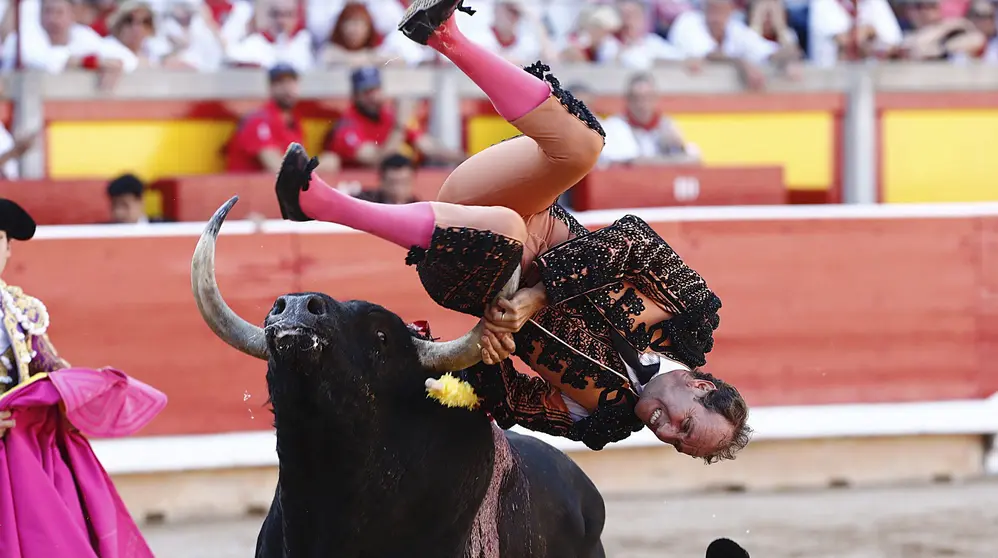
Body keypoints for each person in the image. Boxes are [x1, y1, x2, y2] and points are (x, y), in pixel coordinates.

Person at [274, 0, 750, 462]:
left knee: (505, 230)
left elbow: (506, 403)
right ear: (700, 386)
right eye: (683, 424)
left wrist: (492, 351)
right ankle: (443, 34)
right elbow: (634, 240)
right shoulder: (691, 318)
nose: (663, 430)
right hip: (518, 207)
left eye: (673, 441)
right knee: (583, 145)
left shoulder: (602, 419)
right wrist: (539, 296)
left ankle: (320, 203)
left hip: (463, 269)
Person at [0, 198, 163, 556]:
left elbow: (49, 365)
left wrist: (73, 390)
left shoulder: (21, 311)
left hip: (19, 453)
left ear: (8, 249)